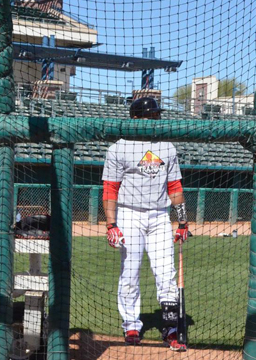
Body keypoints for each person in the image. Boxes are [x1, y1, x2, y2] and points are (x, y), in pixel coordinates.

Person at [101, 97, 189, 352]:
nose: (155, 120)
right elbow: (110, 188)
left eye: (157, 116)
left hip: (160, 216)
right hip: (129, 215)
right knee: (130, 272)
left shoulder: (167, 146)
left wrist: (182, 221)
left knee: (166, 274)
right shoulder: (119, 148)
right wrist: (111, 224)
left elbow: (175, 187)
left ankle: (171, 328)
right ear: (136, 119)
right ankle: (131, 323)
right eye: (151, 116)